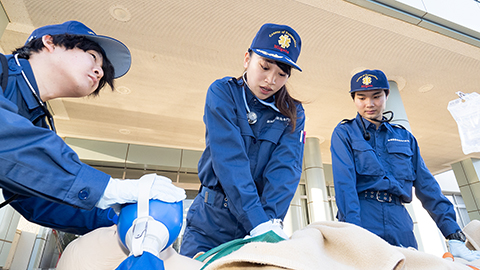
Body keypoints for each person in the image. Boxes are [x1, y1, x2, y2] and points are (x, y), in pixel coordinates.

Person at [0, 20, 185, 235]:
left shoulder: (35, 120)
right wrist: (107, 189)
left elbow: (37, 202)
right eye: (92, 56)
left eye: (103, 73)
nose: (99, 72)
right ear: (49, 42)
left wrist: (119, 215)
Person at [179, 23, 306, 258]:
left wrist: (268, 225)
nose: (270, 80)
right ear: (247, 59)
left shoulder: (293, 112)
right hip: (210, 220)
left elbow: (285, 171)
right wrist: (258, 223)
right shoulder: (222, 92)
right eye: (265, 67)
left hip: (262, 223)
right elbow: (229, 160)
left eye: (281, 74)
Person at [330, 69, 480, 261]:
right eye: (362, 98)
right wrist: (352, 232)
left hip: (400, 220)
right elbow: (345, 186)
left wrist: (453, 235)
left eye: (376, 96)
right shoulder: (345, 133)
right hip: (363, 215)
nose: (370, 104)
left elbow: (428, 187)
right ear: (354, 99)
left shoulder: (404, 137)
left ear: (386, 95)